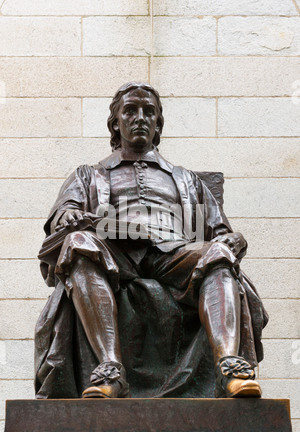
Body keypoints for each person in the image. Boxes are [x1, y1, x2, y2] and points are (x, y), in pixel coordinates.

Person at [35, 82, 268, 400]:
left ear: (158, 123)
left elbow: (218, 232)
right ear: (116, 122)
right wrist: (69, 218)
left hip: (175, 252)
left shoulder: (187, 179)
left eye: (149, 112)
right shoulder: (89, 175)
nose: (140, 117)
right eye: (130, 111)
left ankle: (230, 367)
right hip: (113, 250)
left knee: (218, 254)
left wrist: (233, 240)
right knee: (77, 243)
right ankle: (109, 370)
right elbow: (64, 215)